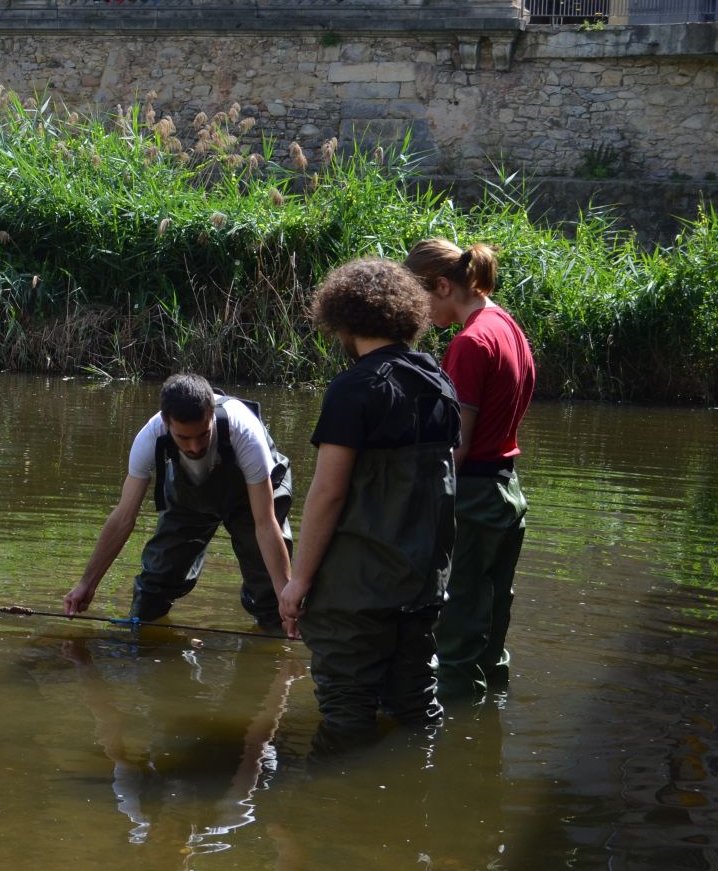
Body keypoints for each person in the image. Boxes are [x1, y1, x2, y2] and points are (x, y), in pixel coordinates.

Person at [278, 258, 461, 753]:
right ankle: (421, 805)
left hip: (358, 593)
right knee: (416, 709)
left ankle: (336, 817)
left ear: (343, 318)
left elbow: (328, 492)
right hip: (424, 585)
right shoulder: (440, 383)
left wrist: (298, 581)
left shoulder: (354, 389)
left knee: (346, 714)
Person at [64, 372, 295, 634]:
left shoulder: (244, 432)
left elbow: (265, 524)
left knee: (270, 592)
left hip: (253, 496)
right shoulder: (151, 436)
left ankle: (278, 640)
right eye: (183, 438)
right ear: (166, 422)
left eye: (203, 435)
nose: (195, 447)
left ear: (210, 415)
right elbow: (123, 517)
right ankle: (141, 641)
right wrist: (87, 583)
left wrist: (285, 599)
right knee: (156, 581)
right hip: (191, 499)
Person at [406, 238, 535, 701]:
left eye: (420, 299)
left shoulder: (469, 342)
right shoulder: (508, 327)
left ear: (442, 286)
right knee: (492, 630)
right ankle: (487, 737)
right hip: (508, 492)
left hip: (475, 496)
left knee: (457, 633)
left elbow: (454, 444)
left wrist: (420, 505)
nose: (418, 314)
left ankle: (452, 749)